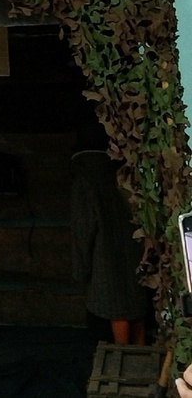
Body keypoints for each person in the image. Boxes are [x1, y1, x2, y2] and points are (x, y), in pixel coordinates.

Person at [69, 117, 149, 345]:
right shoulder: (125, 170)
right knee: (136, 311)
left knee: (118, 311)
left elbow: (83, 228)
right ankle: (140, 359)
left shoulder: (85, 179)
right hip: (135, 250)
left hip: (106, 258)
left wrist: (81, 269)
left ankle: (125, 361)